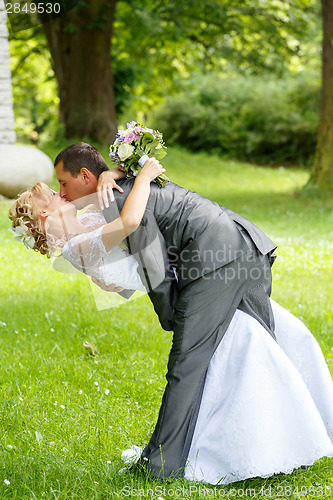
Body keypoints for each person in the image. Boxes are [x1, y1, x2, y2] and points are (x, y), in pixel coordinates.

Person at [9, 144, 333, 483]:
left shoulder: (87, 222)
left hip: (209, 263)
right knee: (223, 351)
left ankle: (167, 460)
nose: (63, 194)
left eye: (62, 185)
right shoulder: (76, 246)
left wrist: (114, 173)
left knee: (232, 346)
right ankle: (187, 453)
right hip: (203, 269)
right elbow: (132, 221)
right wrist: (146, 176)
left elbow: (117, 222)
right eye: (56, 192)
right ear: (45, 215)